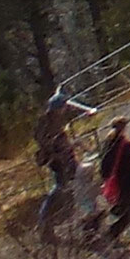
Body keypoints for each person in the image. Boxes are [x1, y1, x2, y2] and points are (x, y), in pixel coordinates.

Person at [96, 117, 130, 244]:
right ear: (124, 128)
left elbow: (103, 166)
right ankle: (112, 235)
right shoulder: (126, 145)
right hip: (128, 183)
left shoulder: (107, 143)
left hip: (116, 183)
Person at [32, 94, 81, 233]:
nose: (65, 109)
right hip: (57, 159)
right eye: (63, 106)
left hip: (66, 156)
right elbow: (44, 141)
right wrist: (56, 152)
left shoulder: (56, 119)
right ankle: (44, 218)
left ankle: (83, 211)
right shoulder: (46, 122)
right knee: (60, 187)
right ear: (57, 108)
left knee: (76, 179)